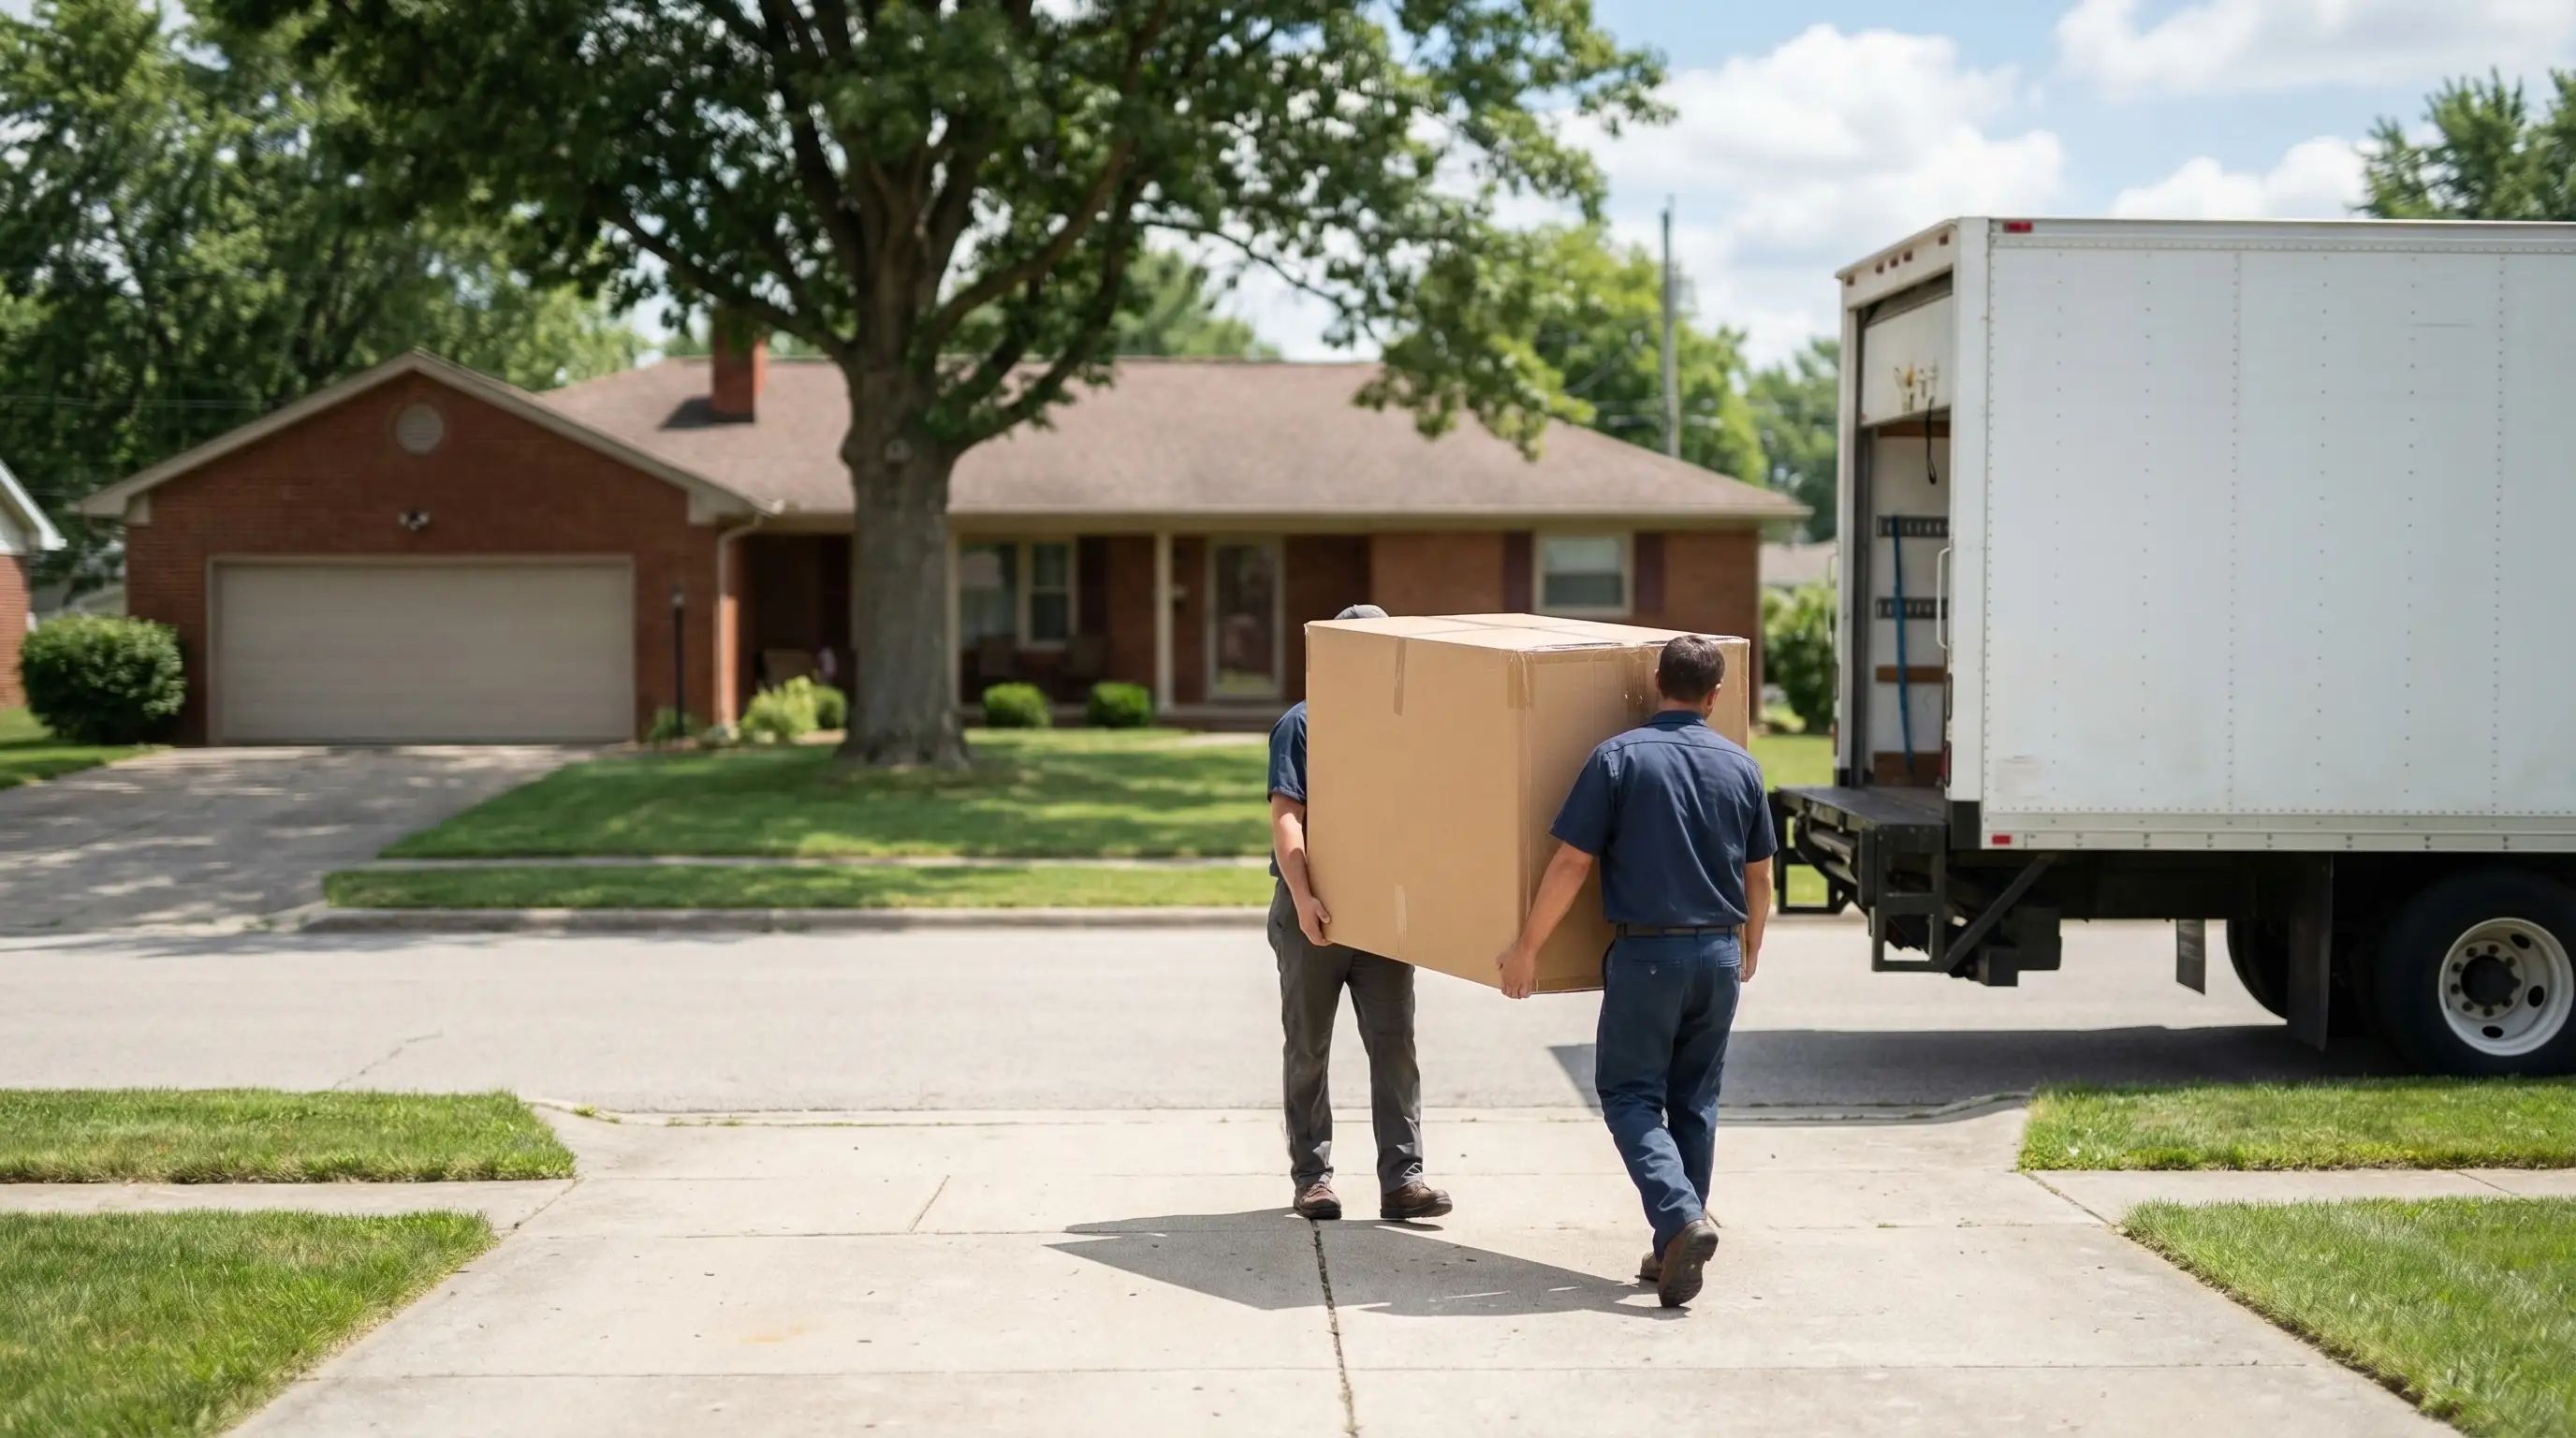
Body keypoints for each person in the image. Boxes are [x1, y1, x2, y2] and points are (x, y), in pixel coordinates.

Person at [1492, 634, 1771, 1308]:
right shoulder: (1742, 767)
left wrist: (1527, 947)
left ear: (1655, 681)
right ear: (1716, 696)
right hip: (1719, 955)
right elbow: (1759, 876)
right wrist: (1751, 946)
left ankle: (1679, 1219)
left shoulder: (1618, 758)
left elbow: (1571, 863)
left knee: (1629, 1095)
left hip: (1649, 956)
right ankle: (1674, 1245)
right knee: (1695, 1101)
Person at [1268, 602, 1453, 1224]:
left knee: (1394, 1044)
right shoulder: (1302, 724)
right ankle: (1313, 1178)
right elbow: (1286, 816)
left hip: (1382, 918)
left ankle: (1404, 1180)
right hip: (1311, 910)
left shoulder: (1401, 725)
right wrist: (1302, 898)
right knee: (1309, 1048)